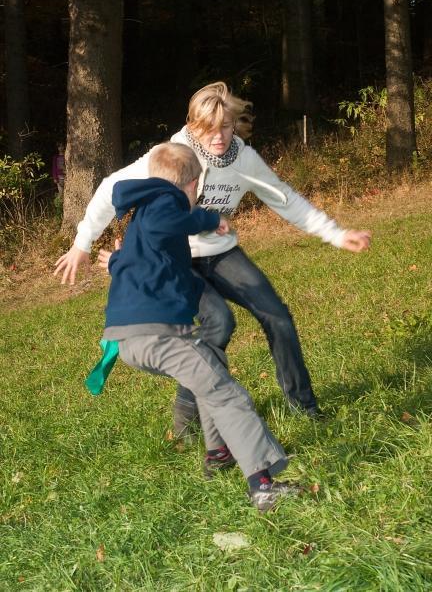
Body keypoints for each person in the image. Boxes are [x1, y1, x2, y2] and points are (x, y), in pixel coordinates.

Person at [54, 81, 371, 439]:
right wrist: (83, 243)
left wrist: (337, 234)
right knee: (218, 323)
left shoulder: (244, 159)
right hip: (179, 261)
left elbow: (286, 199)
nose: (218, 137)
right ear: (193, 125)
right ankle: (189, 421)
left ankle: (304, 407)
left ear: (235, 124)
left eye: (225, 126)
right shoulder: (172, 155)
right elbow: (112, 187)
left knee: (277, 316)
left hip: (222, 254)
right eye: (208, 128)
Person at [86, 141, 302, 511]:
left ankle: (218, 452)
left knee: (210, 376)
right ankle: (263, 484)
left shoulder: (142, 216)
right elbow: (171, 221)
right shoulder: (164, 202)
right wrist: (207, 218)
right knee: (228, 394)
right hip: (158, 336)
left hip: (129, 342)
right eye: (196, 190)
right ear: (191, 185)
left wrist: (117, 260)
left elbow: (138, 262)